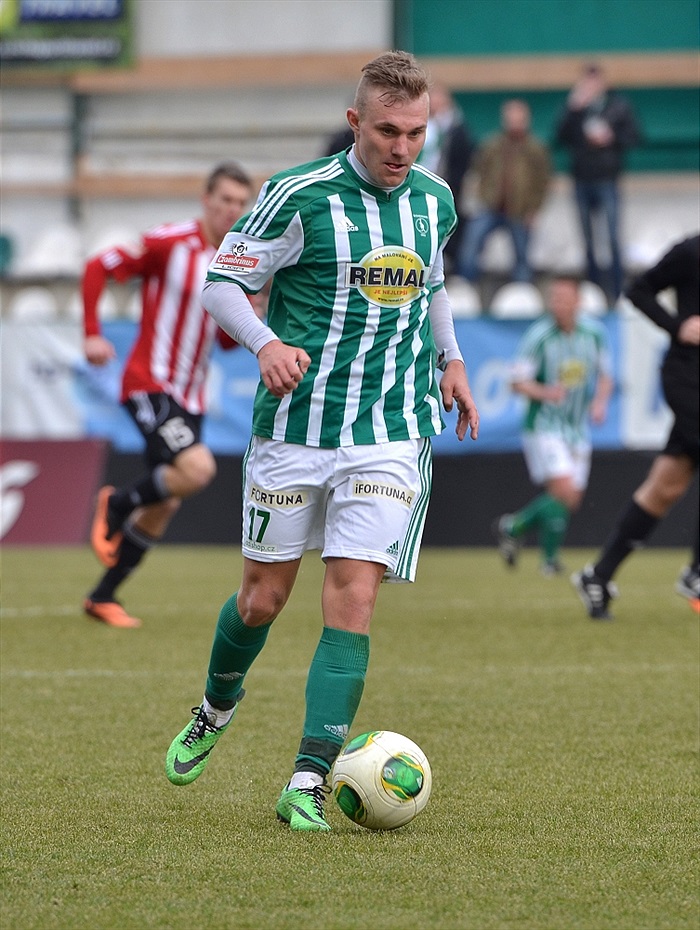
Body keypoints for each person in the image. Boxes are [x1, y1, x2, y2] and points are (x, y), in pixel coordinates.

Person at [164, 51, 480, 832]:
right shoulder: (299, 195)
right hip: (298, 430)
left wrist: (453, 360)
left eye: (415, 131)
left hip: (390, 431)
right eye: (387, 131)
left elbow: (431, 283)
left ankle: (306, 780)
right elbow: (220, 283)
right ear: (355, 123)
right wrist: (265, 343)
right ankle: (214, 706)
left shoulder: (435, 198)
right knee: (263, 598)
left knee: (354, 597)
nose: (402, 148)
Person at [84, 162, 255, 629]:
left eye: (241, 203)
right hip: (150, 382)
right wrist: (92, 333)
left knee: (166, 502)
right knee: (197, 469)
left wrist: (251, 314)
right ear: (207, 200)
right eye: (225, 200)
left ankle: (102, 596)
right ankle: (118, 502)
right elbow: (98, 267)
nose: (232, 211)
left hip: (190, 396)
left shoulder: (234, 262)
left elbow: (220, 339)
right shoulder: (169, 241)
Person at [572, 234, 700, 620]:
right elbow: (639, 291)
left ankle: (599, 574)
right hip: (689, 375)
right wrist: (677, 325)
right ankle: (696, 573)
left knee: (667, 484)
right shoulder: (691, 251)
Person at [494, 276, 613, 576]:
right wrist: (547, 392)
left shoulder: (594, 334)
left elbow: (606, 376)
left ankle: (517, 530)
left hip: (577, 427)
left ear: (577, 302)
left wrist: (599, 403)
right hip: (544, 425)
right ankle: (541, 554)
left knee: (569, 499)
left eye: (563, 298)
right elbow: (517, 382)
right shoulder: (539, 337)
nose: (557, 304)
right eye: (554, 298)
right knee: (563, 489)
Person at [555, 63, 640, 303]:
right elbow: (560, 137)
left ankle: (617, 291)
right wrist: (573, 110)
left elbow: (635, 136)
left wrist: (611, 138)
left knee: (612, 237)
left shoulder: (618, 106)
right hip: (582, 180)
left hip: (607, 179)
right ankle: (593, 291)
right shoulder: (576, 109)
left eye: (595, 82)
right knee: (587, 239)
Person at [457, 98, 550, 285]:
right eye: (510, 118)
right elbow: (479, 171)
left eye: (518, 119)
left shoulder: (535, 149)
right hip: (490, 207)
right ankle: (466, 287)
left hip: (519, 211)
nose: (514, 123)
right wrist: (481, 196)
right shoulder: (492, 145)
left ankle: (522, 293)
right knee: (470, 244)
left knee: (522, 256)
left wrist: (534, 210)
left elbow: (543, 182)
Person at [416, 82, 474, 274]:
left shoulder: (456, 128)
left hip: (448, 187)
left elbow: (463, 157)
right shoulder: (421, 126)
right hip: (418, 185)